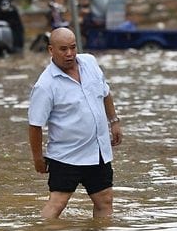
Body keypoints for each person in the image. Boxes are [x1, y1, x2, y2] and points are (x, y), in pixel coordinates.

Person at [28, 27, 122, 219]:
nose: (69, 54)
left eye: (73, 47)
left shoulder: (89, 62)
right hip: (66, 155)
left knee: (105, 200)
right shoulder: (45, 85)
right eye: (63, 49)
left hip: (97, 152)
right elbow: (35, 125)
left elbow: (105, 93)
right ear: (51, 50)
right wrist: (38, 158)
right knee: (57, 203)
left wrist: (114, 121)